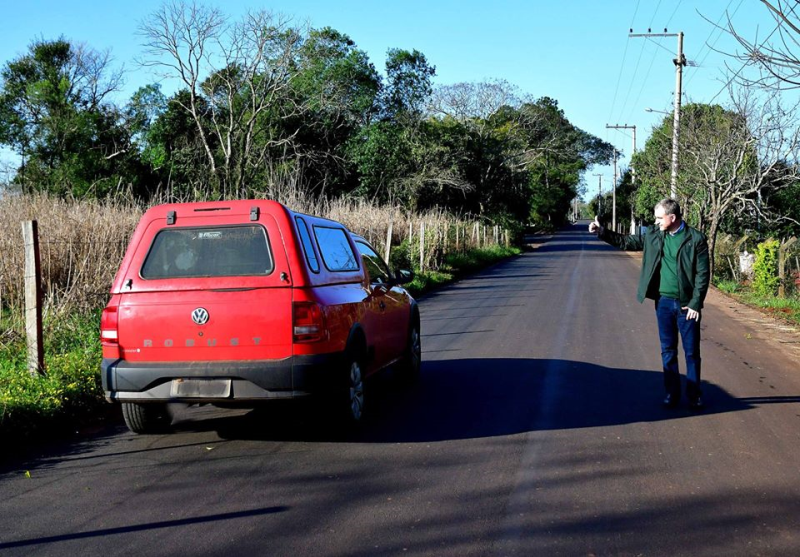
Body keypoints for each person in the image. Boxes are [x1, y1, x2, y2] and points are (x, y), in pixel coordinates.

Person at [589, 198, 710, 410]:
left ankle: (694, 395)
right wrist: (602, 232)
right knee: (668, 350)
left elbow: (703, 274)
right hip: (663, 302)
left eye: (659, 218)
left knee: (691, 352)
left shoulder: (696, 239)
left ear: (672, 217)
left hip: (686, 306)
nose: (656, 222)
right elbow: (627, 241)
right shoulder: (654, 234)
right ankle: (671, 393)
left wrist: (695, 303)